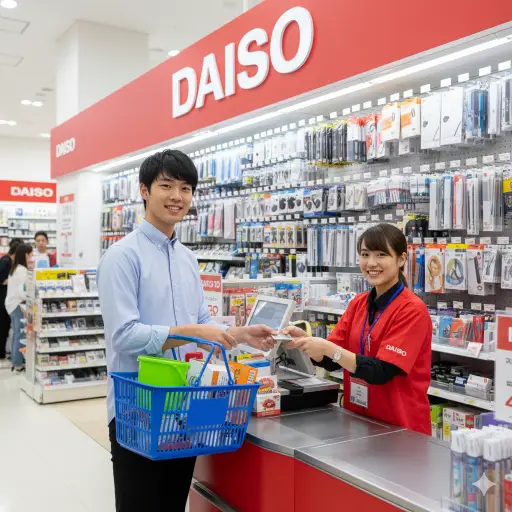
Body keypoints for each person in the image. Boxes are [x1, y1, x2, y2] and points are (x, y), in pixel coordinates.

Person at [97, 149, 276, 512]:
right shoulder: (122, 257)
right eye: (166, 186)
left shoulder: (188, 259)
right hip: (139, 410)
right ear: (144, 190)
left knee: (174, 503)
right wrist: (190, 331)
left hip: (184, 408)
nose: (177, 196)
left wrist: (241, 335)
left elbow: (203, 324)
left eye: (185, 188)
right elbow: (125, 336)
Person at [283, 223, 432, 435]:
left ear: (401, 259)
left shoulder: (412, 310)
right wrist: (306, 342)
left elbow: (382, 371)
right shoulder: (358, 304)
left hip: (401, 428)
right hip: (359, 422)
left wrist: (328, 348)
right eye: (365, 254)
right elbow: (331, 361)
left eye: (381, 254)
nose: (371, 263)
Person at [5, 243, 33, 372]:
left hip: (12, 304)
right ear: (26, 254)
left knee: (16, 333)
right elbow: (21, 292)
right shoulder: (22, 270)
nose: (32, 257)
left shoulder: (16, 268)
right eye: (31, 254)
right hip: (17, 305)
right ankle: (18, 363)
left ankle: (15, 360)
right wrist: (30, 296)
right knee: (20, 333)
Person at [0, 238, 23, 366]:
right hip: (3, 298)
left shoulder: (9, 261)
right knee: (3, 326)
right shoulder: (6, 261)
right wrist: (10, 281)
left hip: (6, 298)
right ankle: (2, 353)